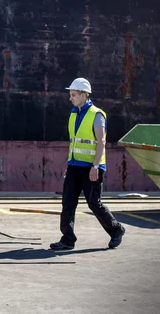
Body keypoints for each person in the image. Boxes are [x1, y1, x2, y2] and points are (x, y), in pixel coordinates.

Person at [50, 78, 126, 250]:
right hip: (74, 166)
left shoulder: (96, 115)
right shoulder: (73, 113)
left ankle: (116, 230)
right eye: (70, 94)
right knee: (68, 202)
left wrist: (96, 166)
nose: (70, 98)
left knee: (94, 203)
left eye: (74, 95)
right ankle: (67, 239)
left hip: (91, 167)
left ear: (84, 95)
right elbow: (75, 142)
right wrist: (69, 164)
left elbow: (101, 141)